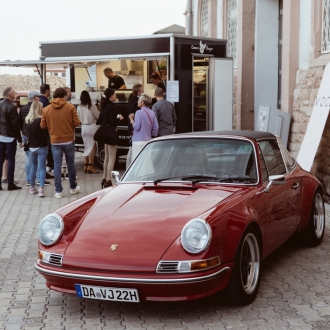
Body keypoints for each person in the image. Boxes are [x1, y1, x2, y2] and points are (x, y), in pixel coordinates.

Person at [41, 87, 80, 198]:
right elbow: (77, 122)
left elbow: (42, 125)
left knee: (57, 166)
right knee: (70, 165)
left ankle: (58, 191)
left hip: (55, 141)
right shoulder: (70, 106)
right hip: (69, 140)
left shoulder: (47, 109)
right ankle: (73, 188)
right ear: (64, 95)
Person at [19, 90, 51, 186]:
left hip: (27, 136)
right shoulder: (38, 110)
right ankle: (39, 181)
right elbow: (45, 132)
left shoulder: (23, 108)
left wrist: (22, 136)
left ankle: (29, 180)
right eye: (38, 96)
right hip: (39, 140)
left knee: (29, 159)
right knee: (41, 165)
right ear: (35, 97)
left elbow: (20, 122)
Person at [97, 88, 124, 188]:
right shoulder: (112, 107)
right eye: (114, 94)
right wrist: (119, 118)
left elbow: (99, 120)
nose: (115, 96)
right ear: (110, 96)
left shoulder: (103, 106)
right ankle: (108, 180)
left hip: (105, 133)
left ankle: (104, 178)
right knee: (112, 158)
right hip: (111, 133)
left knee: (107, 157)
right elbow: (113, 122)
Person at [24, 101, 49, 197]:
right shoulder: (41, 120)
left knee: (33, 167)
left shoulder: (27, 120)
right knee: (42, 168)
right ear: (39, 108)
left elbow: (25, 134)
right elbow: (45, 134)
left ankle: (32, 188)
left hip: (31, 147)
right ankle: (41, 189)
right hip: (42, 146)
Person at [0, 87, 23, 191]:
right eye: (14, 92)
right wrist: (19, 139)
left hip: (0, 136)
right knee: (11, 160)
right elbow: (15, 124)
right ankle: (10, 183)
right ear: (10, 94)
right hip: (10, 137)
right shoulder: (12, 107)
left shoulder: (0, 104)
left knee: (0, 160)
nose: (15, 94)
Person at [128, 93, 159, 162]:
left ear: (142, 102)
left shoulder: (138, 112)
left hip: (138, 141)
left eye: (139, 100)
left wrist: (131, 119)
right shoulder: (152, 112)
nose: (137, 101)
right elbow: (156, 128)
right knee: (146, 162)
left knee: (136, 161)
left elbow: (136, 127)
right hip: (148, 140)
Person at [77, 90, 100, 174]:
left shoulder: (79, 107)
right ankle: (90, 166)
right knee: (93, 146)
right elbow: (98, 116)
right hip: (91, 127)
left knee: (86, 146)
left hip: (83, 127)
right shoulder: (91, 105)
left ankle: (85, 165)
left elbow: (78, 118)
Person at [126, 84, 144, 168]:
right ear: (138, 91)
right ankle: (130, 167)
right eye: (142, 90)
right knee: (132, 149)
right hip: (135, 126)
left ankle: (128, 166)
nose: (143, 91)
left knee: (131, 148)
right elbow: (137, 116)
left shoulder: (130, 100)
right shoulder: (137, 103)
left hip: (130, 126)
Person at [39, 84, 53, 173]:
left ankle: (47, 165)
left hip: (40, 128)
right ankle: (49, 164)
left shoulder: (39, 101)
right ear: (47, 90)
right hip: (46, 129)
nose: (50, 91)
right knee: (48, 147)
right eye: (49, 89)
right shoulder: (46, 102)